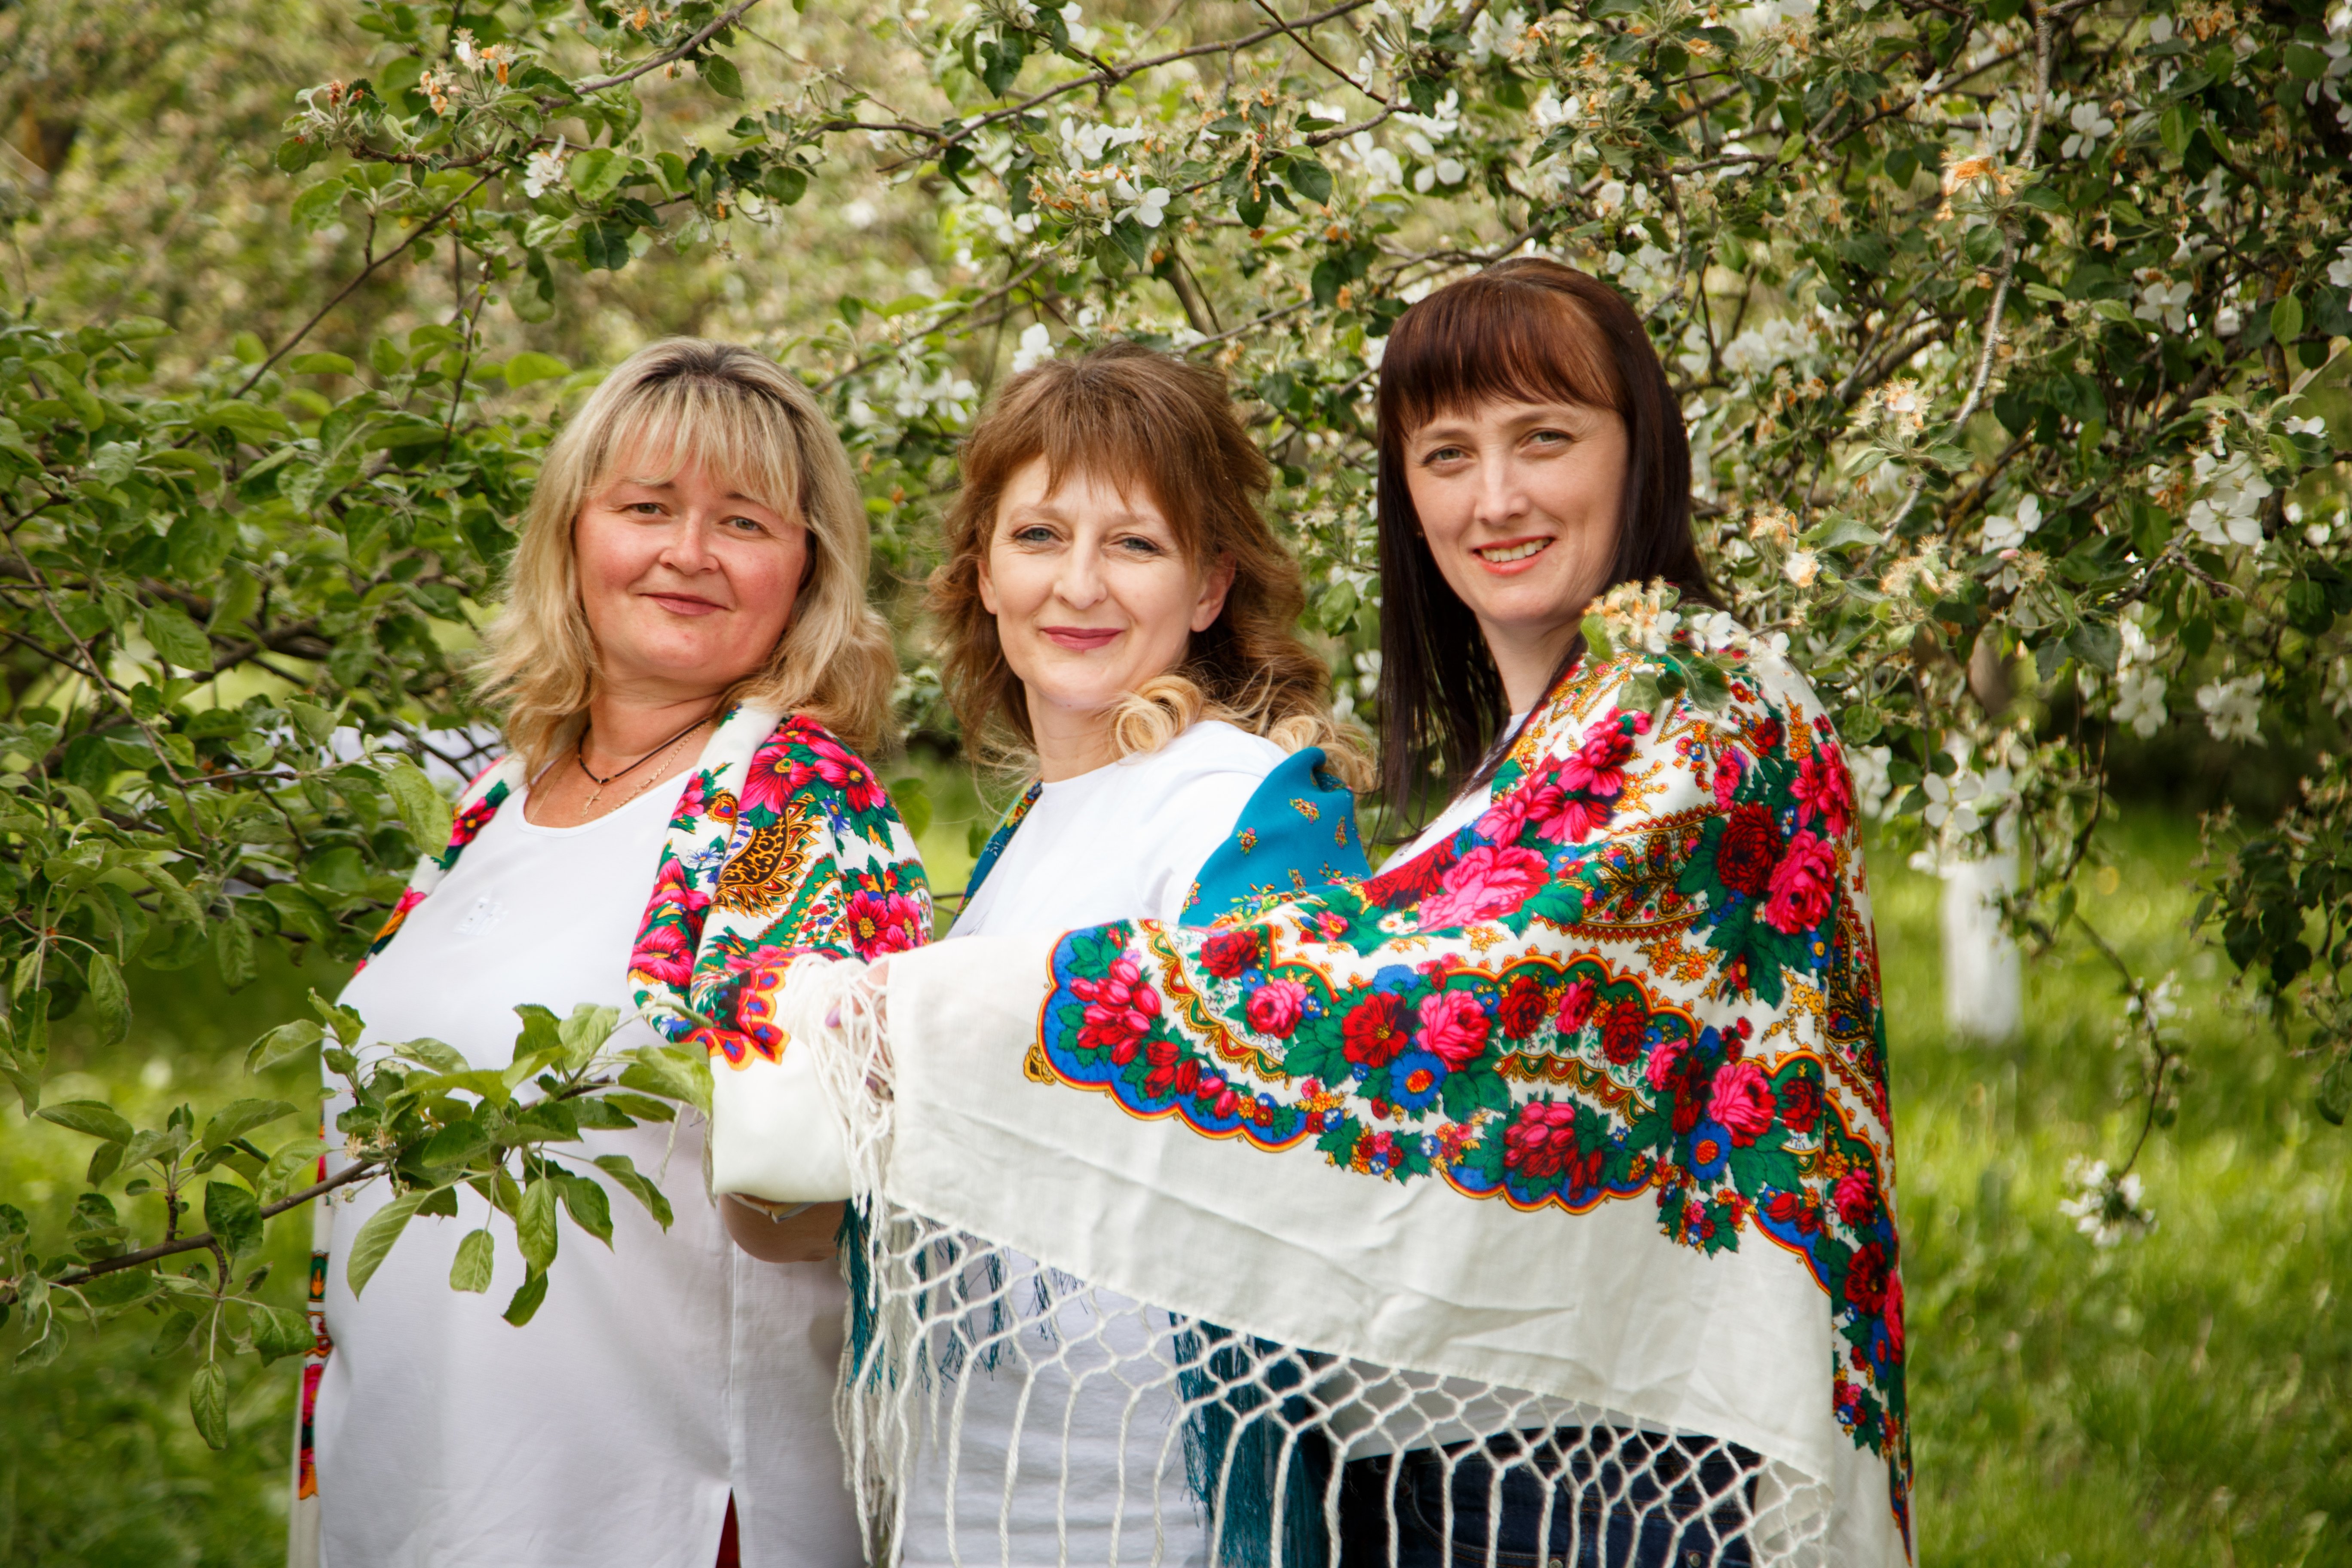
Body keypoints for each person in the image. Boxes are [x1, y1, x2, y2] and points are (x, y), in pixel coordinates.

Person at [761, 260, 1909, 1567]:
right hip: (1482, 1476)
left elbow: (1410, 1005)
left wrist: (911, 1016)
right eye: (1447, 454)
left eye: (1545, 438)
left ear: (1642, 452)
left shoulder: (1699, 709)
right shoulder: (1532, 754)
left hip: (1639, 1472)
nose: (1495, 497)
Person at [719, 340, 1372, 1568]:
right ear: (984, 572)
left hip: (1148, 1501)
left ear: (1210, 587)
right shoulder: (1026, 831)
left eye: (1134, 544)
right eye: (1038, 537)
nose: (1079, 584)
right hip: (970, 1490)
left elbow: (1286, 1153)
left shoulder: (1247, 801)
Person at [298, 338, 928, 1568]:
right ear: (573, 535)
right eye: (646, 508)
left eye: (743, 520)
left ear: (805, 569)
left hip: (654, 1510)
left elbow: (833, 1187)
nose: (689, 552)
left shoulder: (794, 810)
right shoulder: (497, 799)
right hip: (419, 1494)